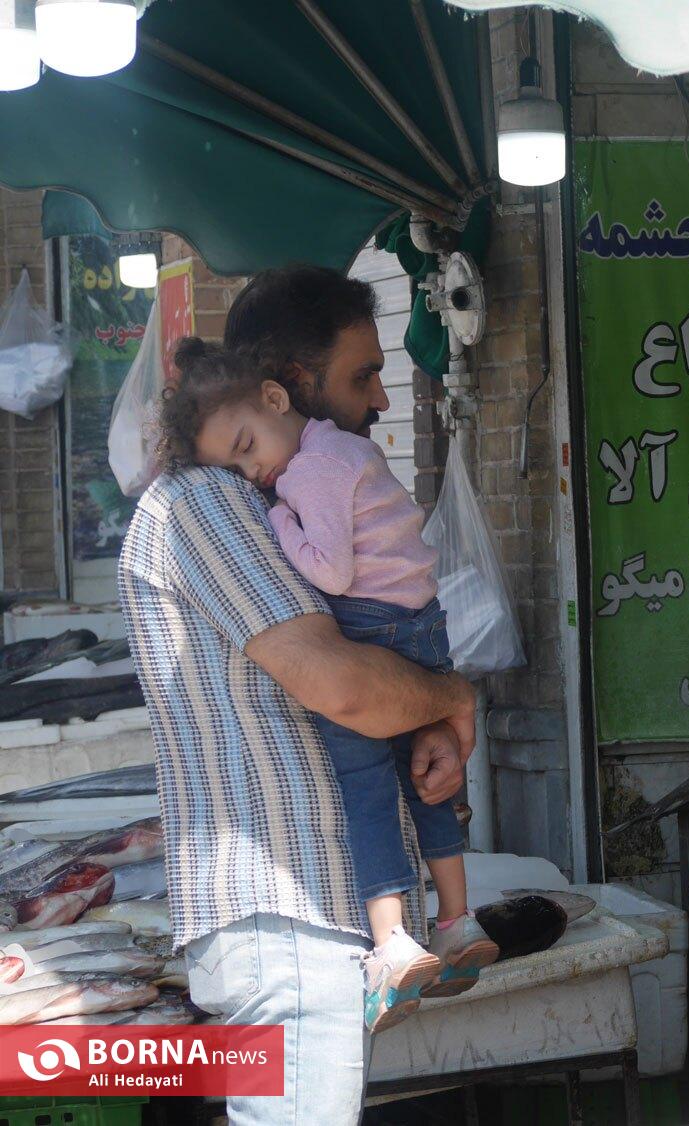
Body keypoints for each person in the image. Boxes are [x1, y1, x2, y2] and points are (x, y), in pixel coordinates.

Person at [120, 266, 473, 1125]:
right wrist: (448, 695)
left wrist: (429, 711)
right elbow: (344, 688)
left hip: (307, 917)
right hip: (284, 912)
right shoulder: (208, 503)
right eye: (362, 376)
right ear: (287, 384)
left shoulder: (269, 494)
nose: (380, 400)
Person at [153, 338, 499, 1033]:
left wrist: (280, 518)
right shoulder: (351, 451)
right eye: (238, 467)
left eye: (248, 447)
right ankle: (456, 920)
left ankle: (393, 943)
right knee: (429, 783)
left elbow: (332, 573)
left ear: (276, 397)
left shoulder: (306, 475)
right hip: (423, 625)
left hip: (370, 627)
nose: (255, 472)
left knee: (367, 791)